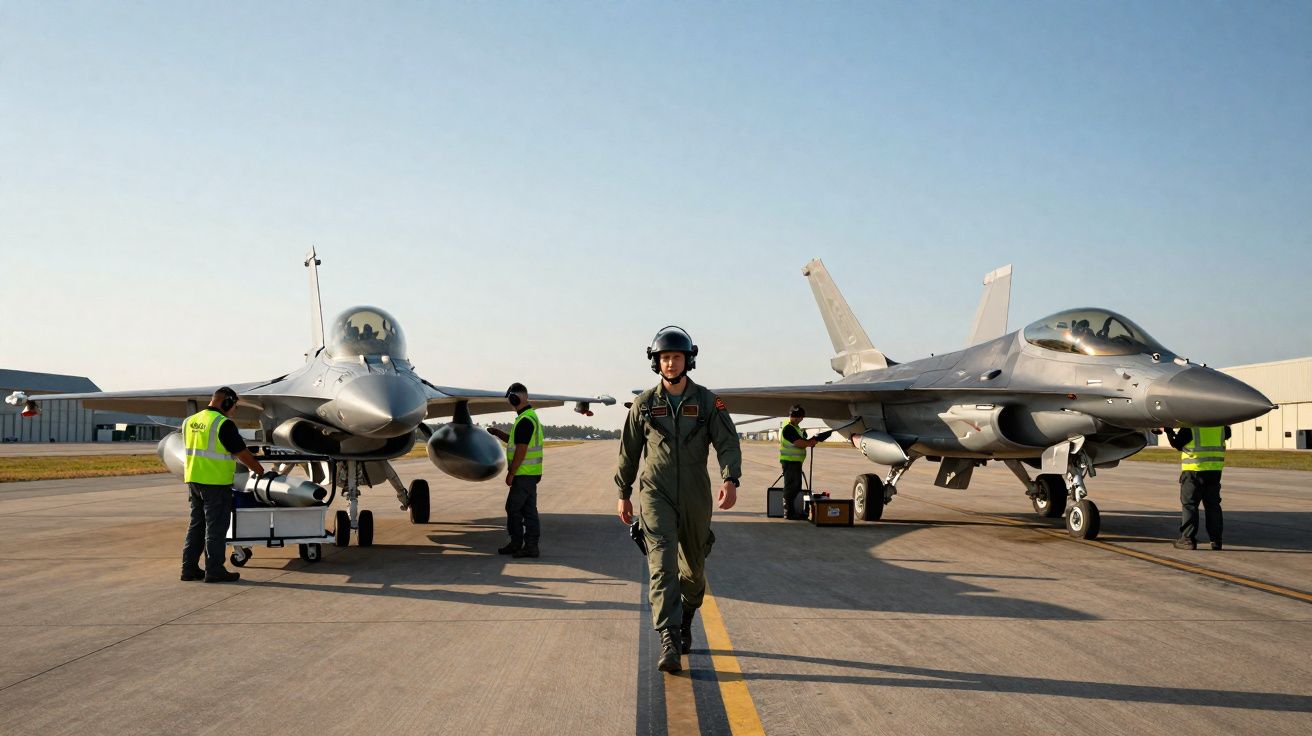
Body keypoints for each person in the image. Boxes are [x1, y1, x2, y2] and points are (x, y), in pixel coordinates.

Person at [614, 326, 742, 673]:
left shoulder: (707, 401)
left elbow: (727, 442)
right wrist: (623, 493)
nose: (670, 363)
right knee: (661, 565)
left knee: (693, 571)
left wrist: (730, 478)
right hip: (656, 492)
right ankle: (669, 638)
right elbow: (629, 451)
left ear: (688, 360)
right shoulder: (644, 404)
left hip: (696, 494)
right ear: (656, 363)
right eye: (664, 358)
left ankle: (686, 616)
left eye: (676, 357)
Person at [181, 387, 266, 583]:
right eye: (234, 406)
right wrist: (260, 470)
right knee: (216, 528)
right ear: (226, 402)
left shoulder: (190, 421)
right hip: (216, 483)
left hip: (194, 480)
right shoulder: (222, 424)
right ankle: (214, 570)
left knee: (196, 525)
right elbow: (242, 453)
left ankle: (189, 569)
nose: (234, 410)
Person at [487, 382, 543, 559]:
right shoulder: (528, 417)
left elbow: (521, 449)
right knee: (528, 510)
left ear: (514, 398)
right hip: (530, 473)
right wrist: (497, 433)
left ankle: (520, 543)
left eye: (510, 399)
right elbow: (514, 441)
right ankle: (529, 545)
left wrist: (511, 472)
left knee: (513, 508)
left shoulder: (525, 420)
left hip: (523, 474)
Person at [1161, 425, 1230, 550]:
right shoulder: (1221, 425)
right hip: (1214, 471)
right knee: (1213, 506)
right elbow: (1228, 434)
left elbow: (1177, 444)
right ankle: (1216, 541)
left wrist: (1168, 431)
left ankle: (1187, 540)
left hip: (1193, 471)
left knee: (1190, 506)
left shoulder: (1191, 426)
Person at [778, 405, 832, 520]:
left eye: (800, 418)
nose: (798, 419)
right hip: (790, 462)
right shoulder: (788, 428)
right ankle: (789, 512)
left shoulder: (795, 427)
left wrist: (812, 440)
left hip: (795, 462)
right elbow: (799, 443)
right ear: (791, 416)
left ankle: (793, 511)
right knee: (791, 487)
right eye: (796, 417)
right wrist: (812, 442)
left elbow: (803, 440)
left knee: (796, 487)